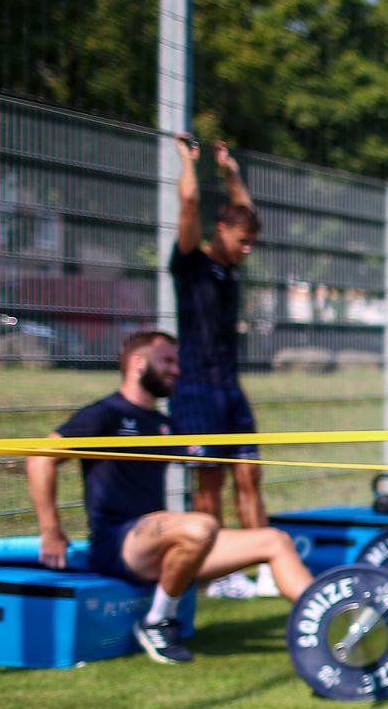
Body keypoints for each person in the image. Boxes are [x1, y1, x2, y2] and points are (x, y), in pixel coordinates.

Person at [27, 331, 312, 664]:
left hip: (164, 543)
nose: (176, 370)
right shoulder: (106, 414)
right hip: (117, 543)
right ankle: (158, 621)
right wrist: (50, 530)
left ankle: (325, 617)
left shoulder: (163, 424)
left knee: (275, 541)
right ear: (138, 363)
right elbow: (39, 457)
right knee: (201, 526)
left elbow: (203, 458)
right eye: (167, 361)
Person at [171, 133, 274, 599]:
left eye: (252, 242)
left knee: (249, 474)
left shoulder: (231, 266)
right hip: (195, 389)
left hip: (229, 387)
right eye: (243, 241)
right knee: (208, 482)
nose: (248, 249)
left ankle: (264, 568)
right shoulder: (190, 262)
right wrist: (188, 160)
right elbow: (189, 201)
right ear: (220, 230)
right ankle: (218, 573)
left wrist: (231, 172)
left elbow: (243, 210)